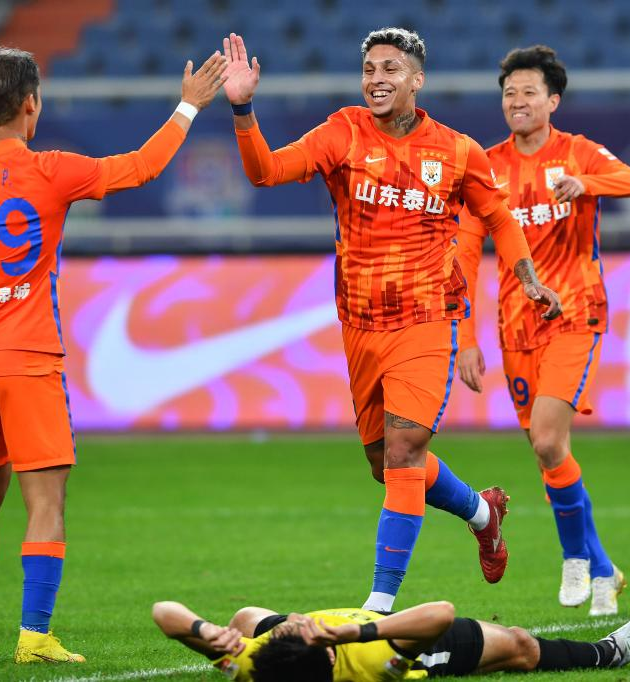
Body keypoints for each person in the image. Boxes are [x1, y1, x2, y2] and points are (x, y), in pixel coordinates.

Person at [0, 45, 228, 664]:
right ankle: (34, 636)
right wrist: (188, 106)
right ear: (31, 103)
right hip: (27, 356)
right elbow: (140, 168)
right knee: (45, 500)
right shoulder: (51, 170)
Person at [220, 29, 561, 614]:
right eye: (370, 69)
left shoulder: (457, 151)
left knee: (405, 451)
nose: (377, 79)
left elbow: (500, 219)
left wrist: (528, 278)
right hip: (360, 321)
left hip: (427, 317)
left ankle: (377, 607)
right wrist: (243, 110)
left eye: (390, 69)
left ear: (417, 79)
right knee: (386, 466)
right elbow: (265, 172)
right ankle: (483, 512)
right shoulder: (343, 132)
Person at [455, 46, 630, 617]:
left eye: (529, 92)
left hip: (575, 314)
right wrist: (466, 338)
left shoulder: (577, 152)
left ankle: (575, 559)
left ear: (553, 101)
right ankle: (606, 569)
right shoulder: (485, 167)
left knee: (545, 440)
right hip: (515, 326)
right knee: (551, 453)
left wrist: (585, 184)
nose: (517, 101)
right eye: (509, 93)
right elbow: (464, 255)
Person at [152, 595, 630, 680]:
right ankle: (611, 653)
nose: (301, 623)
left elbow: (163, 612)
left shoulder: (253, 664)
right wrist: (359, 629)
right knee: (519, 645)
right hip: (408, 641)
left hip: (330, 645)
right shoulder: (371, 659)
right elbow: (440, 615)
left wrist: (206, 632)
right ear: (330, 656)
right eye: (305, 631)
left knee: (246, 614)